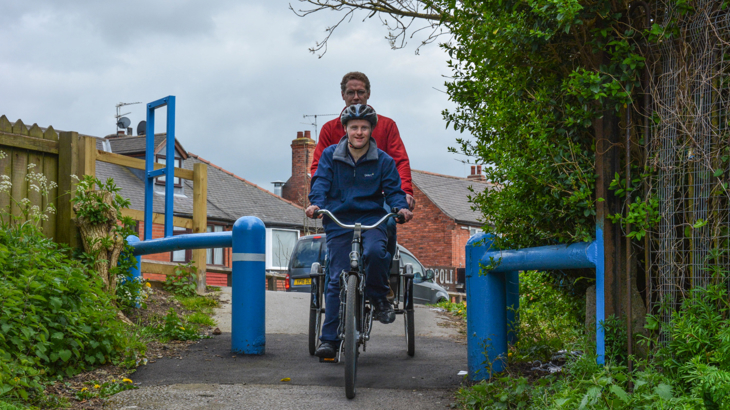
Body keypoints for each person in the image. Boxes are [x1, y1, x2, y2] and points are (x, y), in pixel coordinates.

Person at [306, 104, 413, 359]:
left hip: (371, 218)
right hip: (339, 219)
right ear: (345, 129)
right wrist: (316, 204)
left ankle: (378, 298)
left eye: (364, 127)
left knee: (377, 252)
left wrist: (401, 208)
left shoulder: (383, 160)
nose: (359, 132)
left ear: (371, 130)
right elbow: (320, 182)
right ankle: (329, 341)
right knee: (335, 277)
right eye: (354, 127)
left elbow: (394, 190)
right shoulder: (331, 155)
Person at [311, 71, 415, 210]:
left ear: (368, 94)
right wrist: (318, 199)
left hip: (379, 195)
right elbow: (318, 168)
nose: (356, 97)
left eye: (360, 92)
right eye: (350, 92)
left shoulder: (387, 126)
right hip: (341, 196)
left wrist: (405, 192)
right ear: (343, 95)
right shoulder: (329, 129)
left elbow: (400, 162)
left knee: (388, 221)